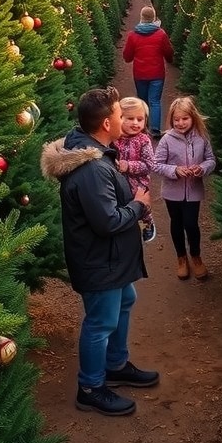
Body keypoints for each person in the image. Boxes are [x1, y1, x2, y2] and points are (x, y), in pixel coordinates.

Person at [40, 85, 159, 416]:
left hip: (111, 258)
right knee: (100, 321)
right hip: (99, 260)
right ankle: (91, 386)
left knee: (126, 300)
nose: (124, 119)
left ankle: (115, 364)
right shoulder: (92, 169)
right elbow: (107, 221)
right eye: (120, 115)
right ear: (107, 123)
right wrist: (138, 205)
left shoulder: (98, 152)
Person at [153, 95, 216, 281]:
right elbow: (156, 164)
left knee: (191, 224)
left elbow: (211, 160)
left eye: (185, 119)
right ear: (171, 120)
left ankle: (196, 257)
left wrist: (202, 168)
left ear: (193, 118)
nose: (180, 123)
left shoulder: (202, 138)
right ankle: (181, 258)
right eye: (176, 119)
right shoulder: (167, 140)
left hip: (194, 191)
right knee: (177, 223)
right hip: (172, 192)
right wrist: (175, 170)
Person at [122, 5, 174, 139]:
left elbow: (127, 57)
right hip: (157, 74)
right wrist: (169, 58)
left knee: (142, 101)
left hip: (140, 74)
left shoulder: (133, 35)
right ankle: (155, 130)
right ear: (154, 18)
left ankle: (142, 128)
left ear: (141, 18)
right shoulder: (161, 34)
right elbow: (169, 52)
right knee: (155, 101)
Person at [114, 96, 157, 244]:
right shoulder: (115, 138)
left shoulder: (143, 140)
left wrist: (129, 166)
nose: (135, 123)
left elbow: (150, 164)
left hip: (138, 181)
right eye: (130, 118)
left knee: (141, 202)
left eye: (140, 119)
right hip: (118, 180)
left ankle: (148, 222)